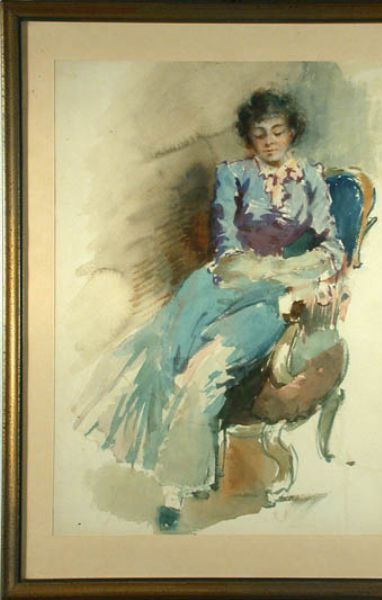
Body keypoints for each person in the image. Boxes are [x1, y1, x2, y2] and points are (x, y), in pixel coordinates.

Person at [76, 89, 344, 532]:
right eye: (260, 134)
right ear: (249, 139)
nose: (270, 141)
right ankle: (171, 486)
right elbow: (226, 250)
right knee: (168, 360)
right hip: (214, 288)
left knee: (206, 373)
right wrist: (278, 269)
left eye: (278, 131)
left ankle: (176, 490)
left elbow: (330, 248)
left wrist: (290, 274)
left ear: (292, 132)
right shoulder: (232, 175)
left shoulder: (311, 178)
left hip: (267, 302)